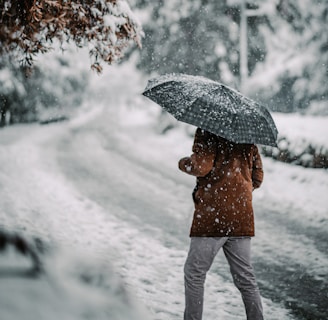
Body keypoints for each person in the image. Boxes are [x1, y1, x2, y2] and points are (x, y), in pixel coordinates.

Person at [179, 128, 264, 320]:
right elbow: (257, 177)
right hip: (241, 216)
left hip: (213, 217)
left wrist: (183, 163)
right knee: (246, 279)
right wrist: (237, 192)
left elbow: (201, 166)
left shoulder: (207, 130)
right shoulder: (247, 135)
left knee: (194, 273)